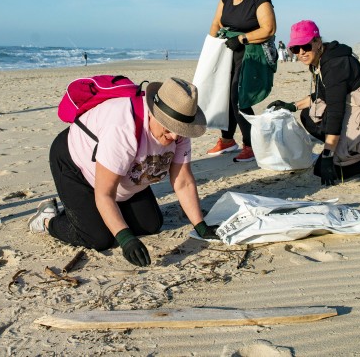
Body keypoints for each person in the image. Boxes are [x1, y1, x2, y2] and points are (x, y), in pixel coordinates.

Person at [29, 77, 220, 267]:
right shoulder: (122, 129)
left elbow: (183, 181)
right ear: (154, 113)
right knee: (99, 239)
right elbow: (104, 194)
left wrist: (200, 226)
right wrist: (126, 239)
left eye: (181, 129)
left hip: (125, 177)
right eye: (169, 128)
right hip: (77, 165)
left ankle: (89, 213)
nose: (175, 136)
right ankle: (48, 219)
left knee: (150, 225)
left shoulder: (178, 129)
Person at [267, 20, 360, 184]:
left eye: (306, 46)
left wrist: (327, 154)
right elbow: (323, 94)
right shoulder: (323, 58)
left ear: (317, 41)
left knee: (324, 171)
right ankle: (354, 149)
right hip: (352, 111)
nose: (302, 52)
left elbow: (335, 111)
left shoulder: (334, 65)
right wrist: (292, 106)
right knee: (307, 115)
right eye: (295, 48)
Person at [205, 0, 277, 162]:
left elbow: (269, 29)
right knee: (224, 94)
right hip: (228, 48)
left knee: (239, 95)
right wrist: (210, 48)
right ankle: (227, 140)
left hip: (251, 52)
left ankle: (251, 144)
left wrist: (243, 39)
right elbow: (216, 23)